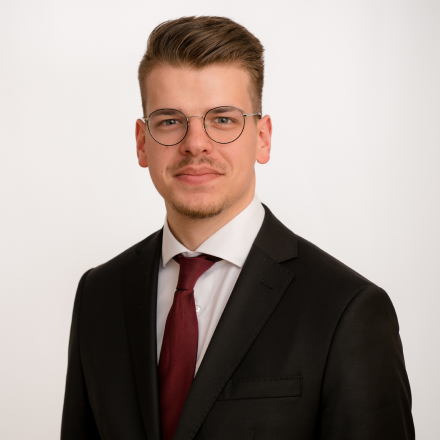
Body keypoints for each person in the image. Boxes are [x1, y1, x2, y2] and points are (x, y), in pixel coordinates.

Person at [61, 16, 415, 440]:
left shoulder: (347, 310)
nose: (195, 144)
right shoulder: (99, 295)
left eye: (223, 120)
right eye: (170, 121)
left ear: (262, 138)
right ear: (142, 142)